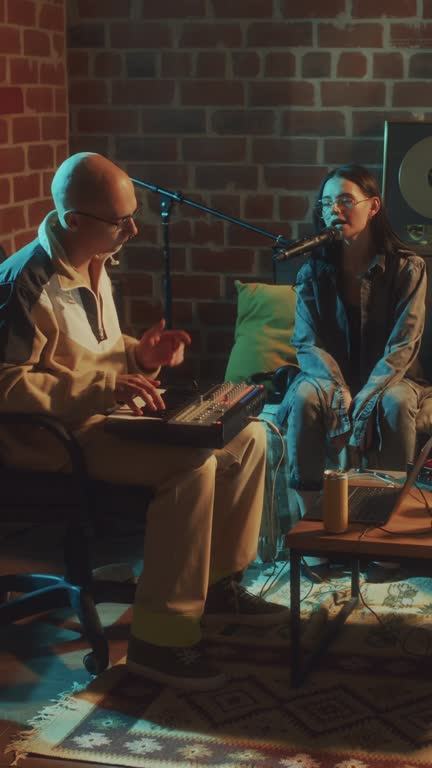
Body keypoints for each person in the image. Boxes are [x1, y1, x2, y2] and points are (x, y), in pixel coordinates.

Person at [0, 152, 289, 690]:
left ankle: (220, 587)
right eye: (120, 221)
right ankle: (161, 639)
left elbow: (92, 354)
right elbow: (7, 383)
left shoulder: (92, 257)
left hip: (100, 419)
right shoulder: (26, 282)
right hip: (49, 441)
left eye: (134, 215)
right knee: (192, 467)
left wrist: (139, 355)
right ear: (73, 220)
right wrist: (103, 385)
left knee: (246, 437)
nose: (133, 229)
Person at [277, 163, 428, 510]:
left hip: (394, 377)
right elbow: (306, 342)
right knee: (302, 397)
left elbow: (403, 346)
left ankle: (386, 526)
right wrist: (339, 391)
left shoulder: (408, 268)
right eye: (327, 203)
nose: (334, 210)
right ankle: (313, 529)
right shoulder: (312, 271)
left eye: (345, 200)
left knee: (396, 402)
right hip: (332, 378)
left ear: (373, 207)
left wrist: (364, 403)